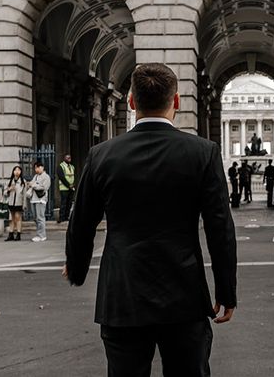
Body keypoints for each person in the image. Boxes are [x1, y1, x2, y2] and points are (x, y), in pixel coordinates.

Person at [64, 63, 237, 377]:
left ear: (131, 101)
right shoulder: (202, 153)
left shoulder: (101, 154)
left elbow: (82, 222)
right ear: (177, 102)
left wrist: (76, 268)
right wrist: (226, 291)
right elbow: (220, 229)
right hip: (183, 294)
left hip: (122, 293)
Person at [27, 160, 51, 242]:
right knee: (35, 218)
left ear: (42, 167)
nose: (36, 169)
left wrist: (33, 185)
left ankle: (42, 235)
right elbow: (33, 184)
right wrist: (32, 185)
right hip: (33, 199)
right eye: (35, 168)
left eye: (38, 167)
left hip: (41, 199)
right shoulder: (36, 176)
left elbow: (44, 187)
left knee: (40, 217)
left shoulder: (46, 177)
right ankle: (39, 234)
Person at [4, 165, 26, 241]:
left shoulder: (23, 182)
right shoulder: (9, 182)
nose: (17, 172)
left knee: (18, 218)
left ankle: (18, 233)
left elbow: (24, 195)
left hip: (18, 203)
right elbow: (4, 193)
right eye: (15, 170)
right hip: (11, 202)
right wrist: (9, 189)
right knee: (11, 218)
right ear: (13, 172)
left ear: (21, 172)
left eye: (19, 170)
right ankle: (11, 233)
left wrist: (24, 205)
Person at [57, 153, 76, 223]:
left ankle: (66, 216)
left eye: (70, 158)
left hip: (71, 188)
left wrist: (73, 185)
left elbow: (73, 176)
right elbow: (62, 177)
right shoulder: (61, 166)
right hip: (64, 188)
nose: (69, 159)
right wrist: (69, 185)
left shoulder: (72, 167)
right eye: (67, 158)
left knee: (69, 203)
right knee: (63, 203)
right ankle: (61, 217)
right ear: (64, 158)